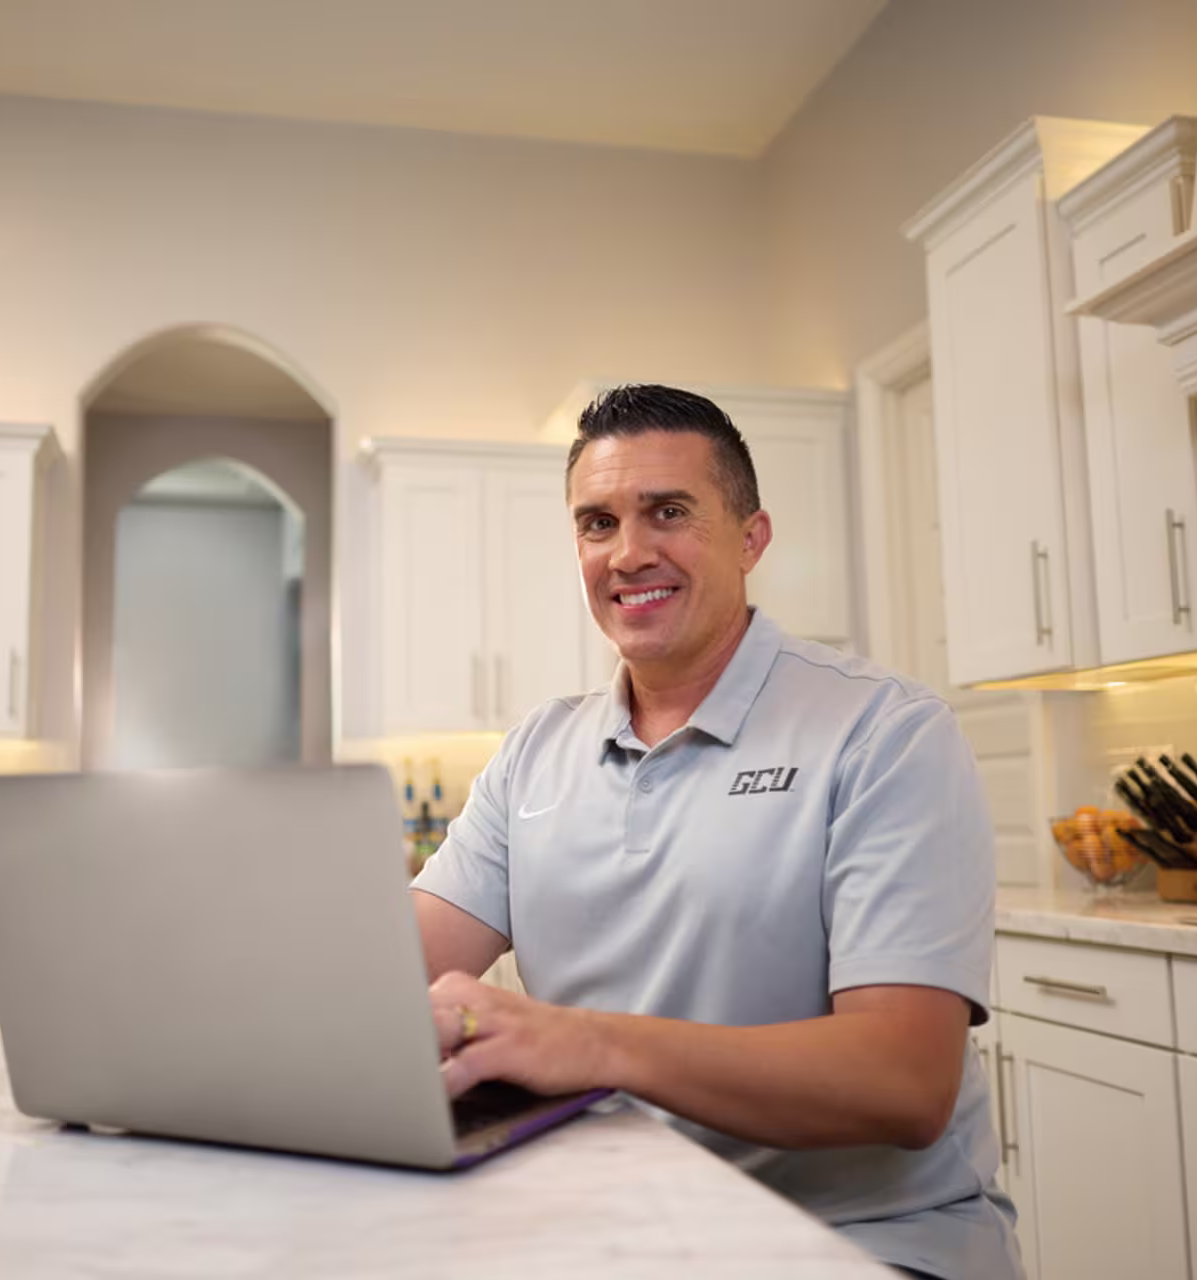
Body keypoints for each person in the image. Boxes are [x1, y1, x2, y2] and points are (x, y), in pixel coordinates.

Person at [409, 385, 1019, 1280]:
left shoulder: (885, 733)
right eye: (596, 522)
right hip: (607, 1224)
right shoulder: (537, 750)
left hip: (857, 1241)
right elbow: (383, 972)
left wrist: (589, 1044)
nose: (628, 552)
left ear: (751, 537)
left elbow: (905, 1082)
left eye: (668, 513)